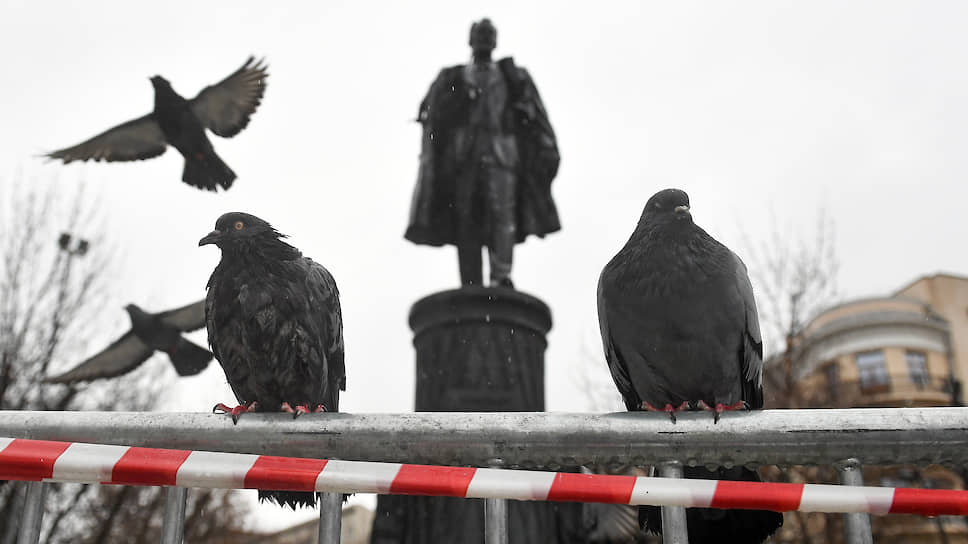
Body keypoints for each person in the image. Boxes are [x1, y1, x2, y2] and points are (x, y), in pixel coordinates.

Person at [405, 18, 561, 288]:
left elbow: (537, 116)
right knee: (467, 218)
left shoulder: (513, 77)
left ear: (495, 41)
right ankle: (471, 282)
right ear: (470, 40)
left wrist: (546, 146)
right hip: (465, 159)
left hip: (503, 156)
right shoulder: (453, 77)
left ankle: (501, 277)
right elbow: (433, 115)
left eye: (489, 35)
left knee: (503, 216)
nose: (484, 39)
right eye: (480, 34)